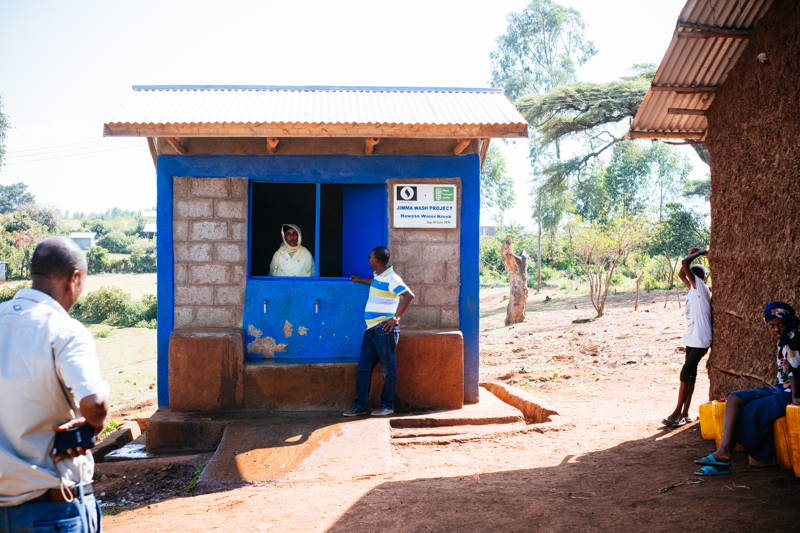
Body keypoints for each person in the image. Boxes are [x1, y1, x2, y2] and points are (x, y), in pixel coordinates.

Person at [0, 237, 109, 532]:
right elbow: (94, 402)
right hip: (51, 510)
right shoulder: (63, 330)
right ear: (75, 278)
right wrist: (91, 426)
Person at [693, 302, 800, 476]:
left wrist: (795, 398)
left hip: (790, 394)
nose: (776, 329)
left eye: (780, 324)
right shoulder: (784, 340)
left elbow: (796, 372)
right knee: (734, 398)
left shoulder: (794, 340)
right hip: (779, 390)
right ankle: (723, 451)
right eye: (772, 326)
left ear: (787, 321)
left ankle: (724, 457)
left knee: (749, 410)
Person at [343, 246, 414, 417]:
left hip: (384, 329)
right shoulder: (379, 276)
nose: (369, 259)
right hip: (371, 330)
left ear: (376, 260)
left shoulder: (392, 278)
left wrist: (395, 318)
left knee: (388, 369)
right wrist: (361, 280)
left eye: (370, 257)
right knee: (364, 368)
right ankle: (361, 405)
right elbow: (375, 284)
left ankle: (387, 405)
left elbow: (409, 296)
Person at [663, 248, 712, 427]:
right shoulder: (693, 289)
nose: (688, 279)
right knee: (690, 374)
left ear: (698, 279)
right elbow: (681, 273)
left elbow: (685, 264)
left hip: (701, 340)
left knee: (685, 373)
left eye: (691, 277)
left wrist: (699, 253)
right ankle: (684, 413)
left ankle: (677, 411)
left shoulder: (701, 288)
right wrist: (693, 254)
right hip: (692, 338)